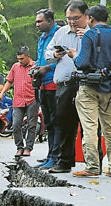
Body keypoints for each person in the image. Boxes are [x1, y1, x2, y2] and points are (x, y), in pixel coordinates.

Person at [45, 0, 89, 174]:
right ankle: (64, 161)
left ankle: (92, 163)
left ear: (86, 16)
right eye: (69, 18)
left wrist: (86, 38)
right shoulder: (60, 33)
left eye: (76, 18)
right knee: (64, 123)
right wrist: (56, 54)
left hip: (86, 85)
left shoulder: (92, 33)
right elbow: (47, 54)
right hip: (64, 85)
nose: (72, 22)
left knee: (90, 126)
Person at [68, 4, 111, 177]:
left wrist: (73, 55)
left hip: (89, 87)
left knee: (90, 127)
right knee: (109, 128)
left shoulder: (90, 34)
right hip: (108, 88)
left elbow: (82, 62)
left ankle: (92, 167)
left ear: (90, 18)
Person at [0, 46, 38, 157]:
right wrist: (1, 93)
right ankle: (19, 147)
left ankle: (28, 148)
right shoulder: (15, 67)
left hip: (32, 99)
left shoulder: (36, 66)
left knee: (32, 125)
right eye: (18, 59)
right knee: (15, 125)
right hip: (18, 100)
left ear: (28, 56)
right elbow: (9, 81)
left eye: (22, 59)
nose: (20, 61)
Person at [34, 8, 61, 169]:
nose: (37, 24)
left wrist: (47, 68)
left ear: (50, 21)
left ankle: (56, 156)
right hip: (42, 84)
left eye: (40, 21)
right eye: (36, 21)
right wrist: (36, 68)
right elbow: (40, 59)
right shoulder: (42, 38)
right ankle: (50, 155)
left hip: (55, 83)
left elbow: (62, 58)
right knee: (48, 122)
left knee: (56, 121)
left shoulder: (59, 35)